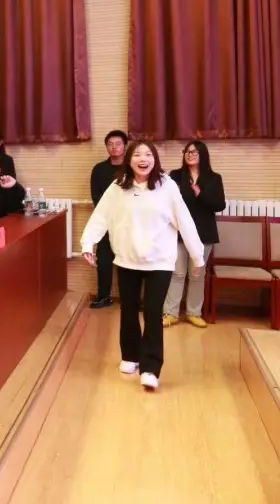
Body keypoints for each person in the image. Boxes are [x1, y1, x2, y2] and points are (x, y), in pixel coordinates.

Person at [81, 141, 204, 392]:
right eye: (137, 154)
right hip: (127, 259)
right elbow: (101, 216)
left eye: (148, 154)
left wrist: (197, 256)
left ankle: (150, 368)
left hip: (159, 261)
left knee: (152, 312)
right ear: (129, 160)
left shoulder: (167, 186)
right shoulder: (118, 186)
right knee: (128, 309)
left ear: (154, 159)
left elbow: (185, 221)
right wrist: (87, 243)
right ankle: (130, 356)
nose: (143, 159)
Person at [163, 141, 226, 329]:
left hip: (204, 233)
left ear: (203, 154)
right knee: (177, 273)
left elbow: (219, 205)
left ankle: (193, 313)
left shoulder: (214, 178)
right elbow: (167, 201)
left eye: (194, 152)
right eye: (187, 151)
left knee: (197, 275)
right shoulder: (175, 176)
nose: (190, 154)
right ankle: (170, 313)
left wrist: (200, 194)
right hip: (178, 233)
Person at [88, 130, 128, 309]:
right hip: (105, 222)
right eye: (110, 144)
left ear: (125, 146)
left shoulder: (131, 167)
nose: (114, 147)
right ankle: (104, 296)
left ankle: (129, 299)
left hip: (127, 223)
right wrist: (107, 217)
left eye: (118, 144)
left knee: (127, 262)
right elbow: (96, 196)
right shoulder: (99, 169)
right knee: (104, 261)